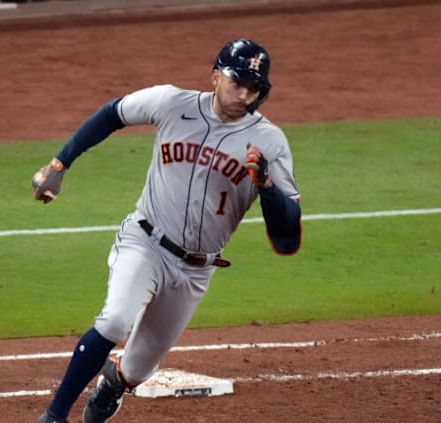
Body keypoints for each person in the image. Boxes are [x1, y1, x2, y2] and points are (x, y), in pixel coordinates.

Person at [32, 38, 302, 423]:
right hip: (145, 241)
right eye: (237, 82)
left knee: (139, 369)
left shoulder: (269, 141)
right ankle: (55, 415)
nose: (245, 94)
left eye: (254, 88)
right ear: (215, 76)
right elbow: (113, 114)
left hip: (195, 270)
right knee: (113, 321)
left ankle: (115, 380)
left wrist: (267, 187)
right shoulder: (171, 103)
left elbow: (288, 229)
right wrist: (60, 164)